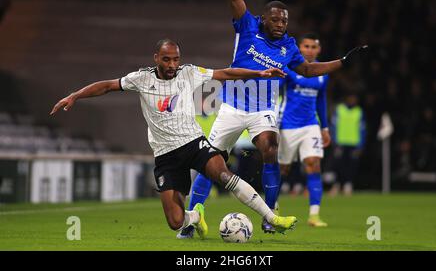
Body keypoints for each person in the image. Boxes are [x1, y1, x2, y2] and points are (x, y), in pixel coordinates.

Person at [179, 0, 368, 237]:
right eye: (276, 19)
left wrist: (340, 62)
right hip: (232, 105)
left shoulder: (289, 46)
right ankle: (192, 218)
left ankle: (269, 215)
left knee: (270, 146)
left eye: (285, 20)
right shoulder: (247, 26)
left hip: (262, 110)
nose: (281, 24)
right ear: (264, 18)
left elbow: (307, 69)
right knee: (212, 162)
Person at [50, 39, 298, 238]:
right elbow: (106, 85)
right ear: (156, 58)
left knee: (224, 175)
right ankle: (195, 217)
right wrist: (75, 95)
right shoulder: (141, 78)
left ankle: (272, 217)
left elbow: (225, 73)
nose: (171, 64)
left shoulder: (189, 73)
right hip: (165, 155)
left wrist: (260, 73)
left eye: (175, 59)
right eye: (166, 59)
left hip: (194, 144)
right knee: (175, 222)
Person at [278, 33, 331, 227]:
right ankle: (272, 209)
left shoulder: (323, 72)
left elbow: (321, 100)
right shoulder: (290, 67)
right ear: (300, 48)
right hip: (287, 125)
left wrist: (324, 127)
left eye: (313, 47)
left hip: (310, 125)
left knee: (313, 164)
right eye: (306, 46)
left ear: (319, 50)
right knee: (282, 169)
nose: (309, 50)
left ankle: (314, 215)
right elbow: (277, 91)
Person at [329, 93, 366, 196]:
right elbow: (333, 125)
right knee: (338, 165)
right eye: (351, 98)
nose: (352, 100)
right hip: (340, 142)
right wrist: (334, 141)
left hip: (354, 143)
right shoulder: (339, 109)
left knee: (351, 166)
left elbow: (362, 129)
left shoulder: (359, 111)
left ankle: (348, 185)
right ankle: (336, 185)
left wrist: (361, 144)